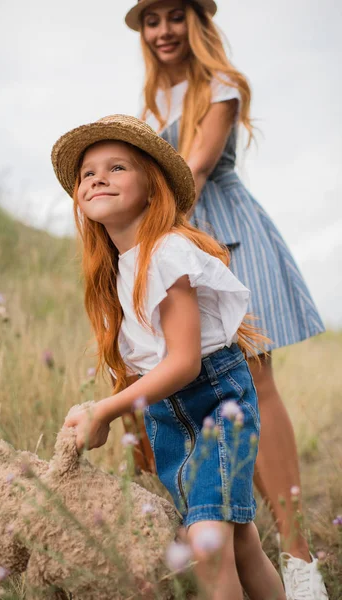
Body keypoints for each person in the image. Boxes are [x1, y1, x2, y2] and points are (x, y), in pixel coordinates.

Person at [124, 2, 327, 598]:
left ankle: (301, 561)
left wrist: (145, 233)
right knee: (196, 389)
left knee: (256, 382)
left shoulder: (220, 86)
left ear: (197, 21)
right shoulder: (150, 104)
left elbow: (195, 169)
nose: (162, 30)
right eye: (151, 20)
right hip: (172, 243)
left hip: (226, 238)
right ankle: (240, 551)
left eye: (172, 16)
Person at [51, 114, 286, 600]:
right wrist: (118, 417)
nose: (97, 177)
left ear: (153, 189)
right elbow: (150, 365)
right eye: (87, 173)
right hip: (171, 417)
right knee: (238, 542)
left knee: (207, 543)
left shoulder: (167, 253)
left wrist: (105, 410)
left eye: (116, 167)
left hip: (218, 404)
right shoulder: (120, 268)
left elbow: (184, 364)